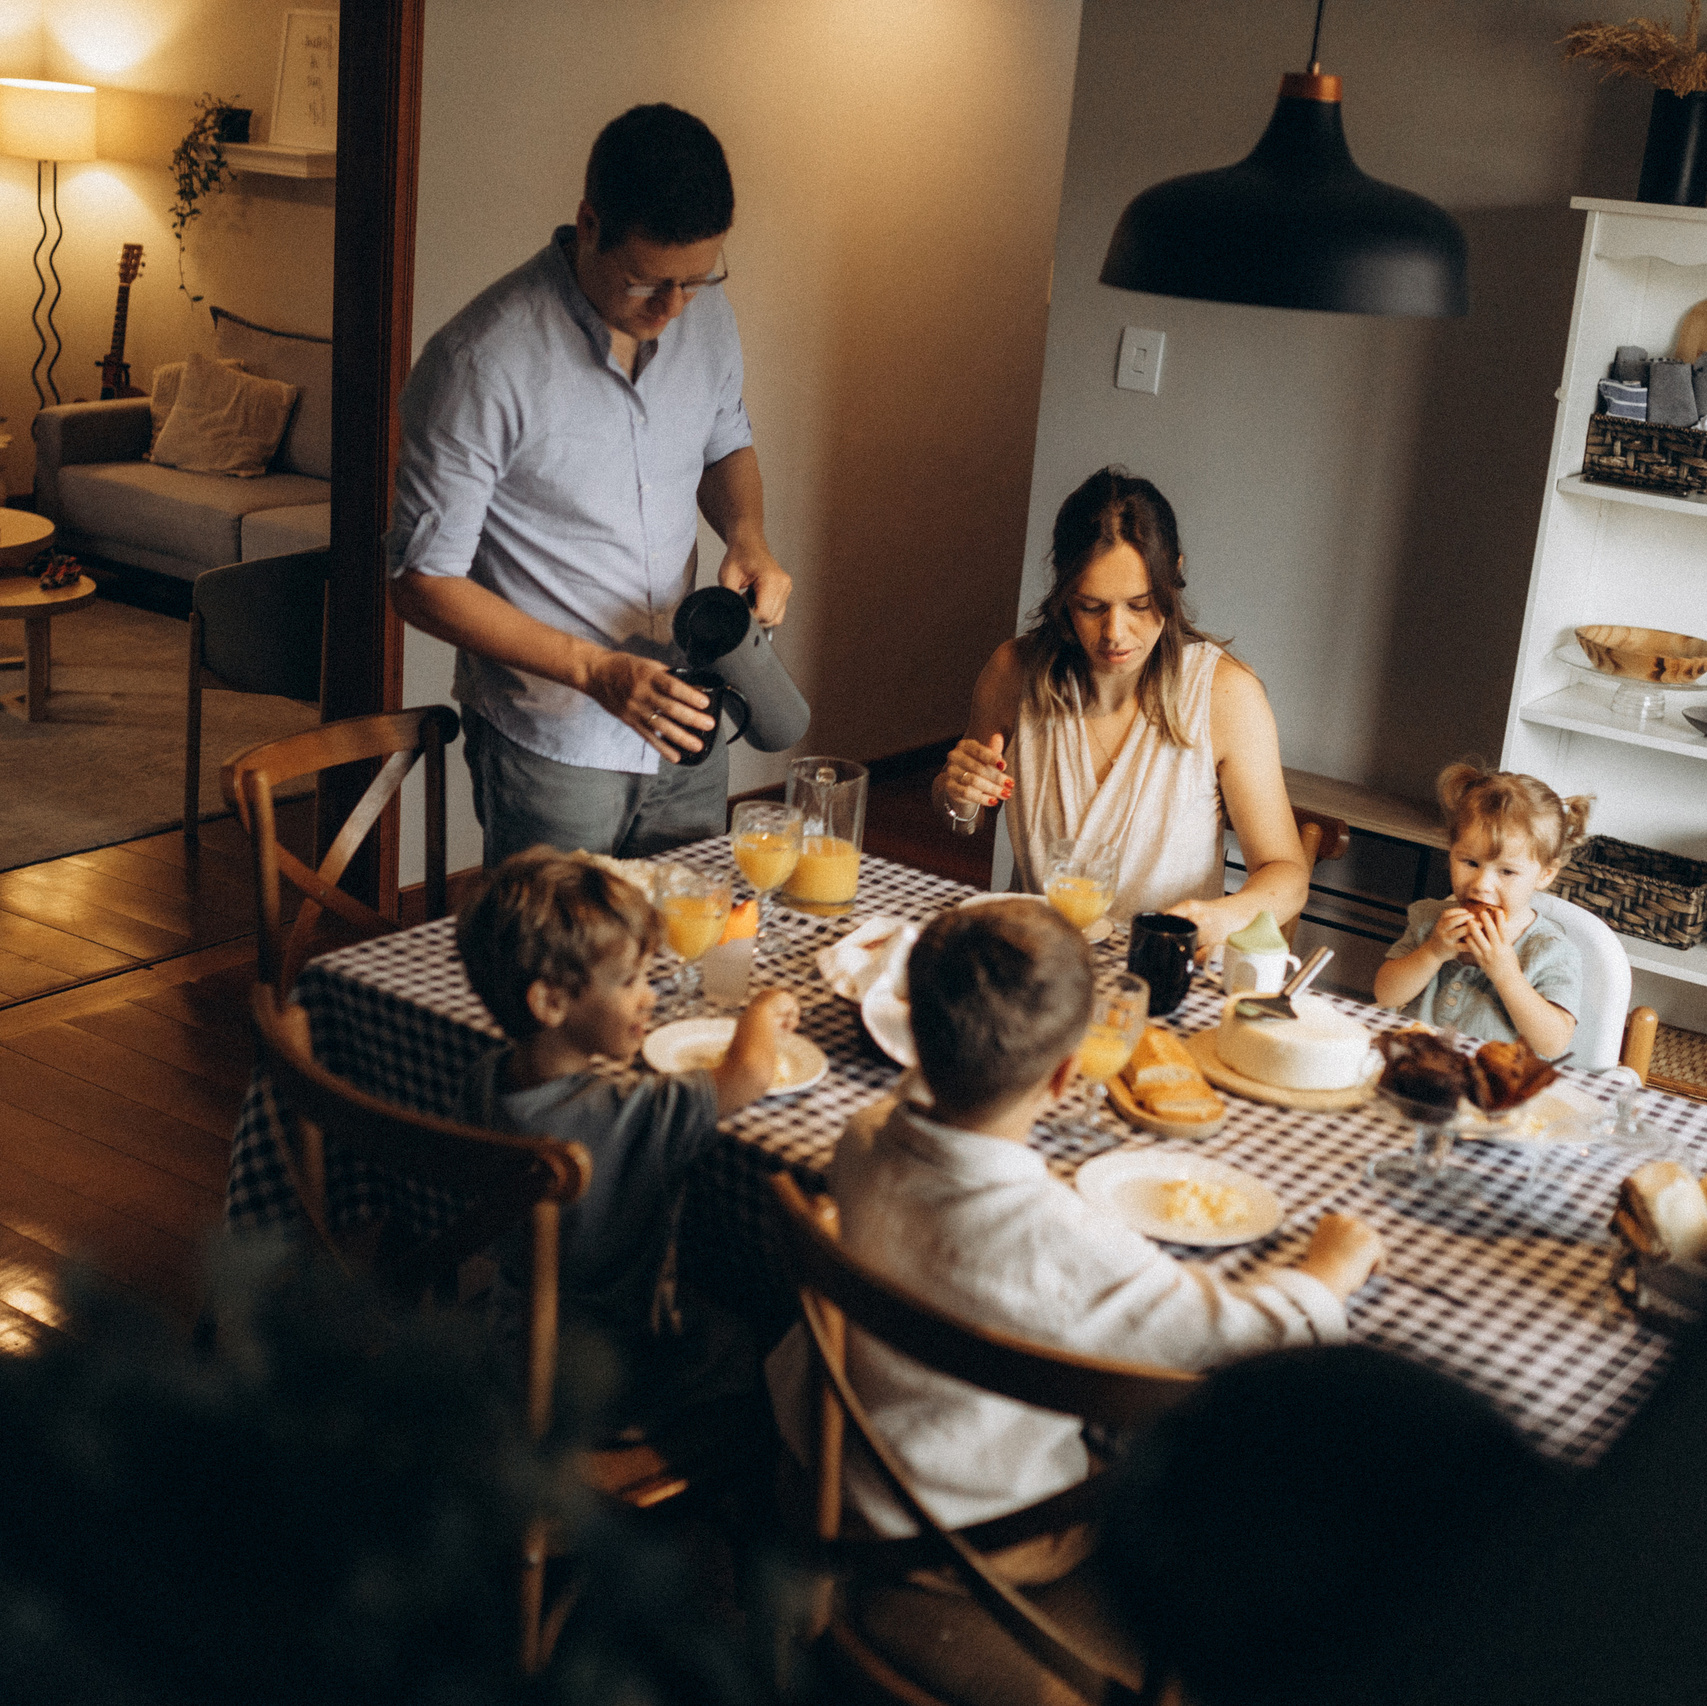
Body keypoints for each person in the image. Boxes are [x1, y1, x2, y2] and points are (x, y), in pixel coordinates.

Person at [764, 901, 1382, 1577]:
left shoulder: (861, 1140)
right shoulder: (1062, 1241)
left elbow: (906, 1103)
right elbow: (1243, 1338)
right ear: (1065, 1076)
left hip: (832, 1468)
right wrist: (1326, 1274)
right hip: (980, 1531)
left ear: (911, 1028)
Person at [388, 103, 792, 866]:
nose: (673, 309)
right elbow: (420, 582)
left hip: (688, 712)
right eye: (648, 283)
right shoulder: (481, 361)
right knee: (558, 973)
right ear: (589, 223)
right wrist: (595, 671)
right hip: (552, 738)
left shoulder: (702, 317)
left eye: (695, 282)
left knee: (686, 956)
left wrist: (747, 535)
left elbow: (725, 444)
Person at [456, 846, 799, 1413]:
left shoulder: (484, 1078)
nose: (652, 994)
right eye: (630, 981)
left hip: (510, 1337)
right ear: (549, 1001)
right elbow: (751, 1072)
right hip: (606, 1372)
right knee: (766, 1335)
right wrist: (761, 1011)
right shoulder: (628, 1113)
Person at [933, 467, 1308, 949]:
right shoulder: (1014, 672)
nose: (1114, 633)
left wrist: (1222, 916)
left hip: (1160, 966)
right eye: (1091, 606)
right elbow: (959, 817)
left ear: (1173, 576)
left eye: (1139, 604)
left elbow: (1288, 875)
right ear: (1064, 592)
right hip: (1036, 958)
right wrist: (958, 794)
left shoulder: (1225, 695)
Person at [1373, 762, 1588, 1056]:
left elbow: (1553, 1044)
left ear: (1545, 875)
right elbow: (1385, 994)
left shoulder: (1550, 950)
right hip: (1415, 1067)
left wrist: (1506, 974)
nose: (1481, 885)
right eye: (1470, 863)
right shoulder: (1429, 920)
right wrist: (1433, 952)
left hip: (1494, 1086)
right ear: (1452, 852)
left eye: (1507, 872)